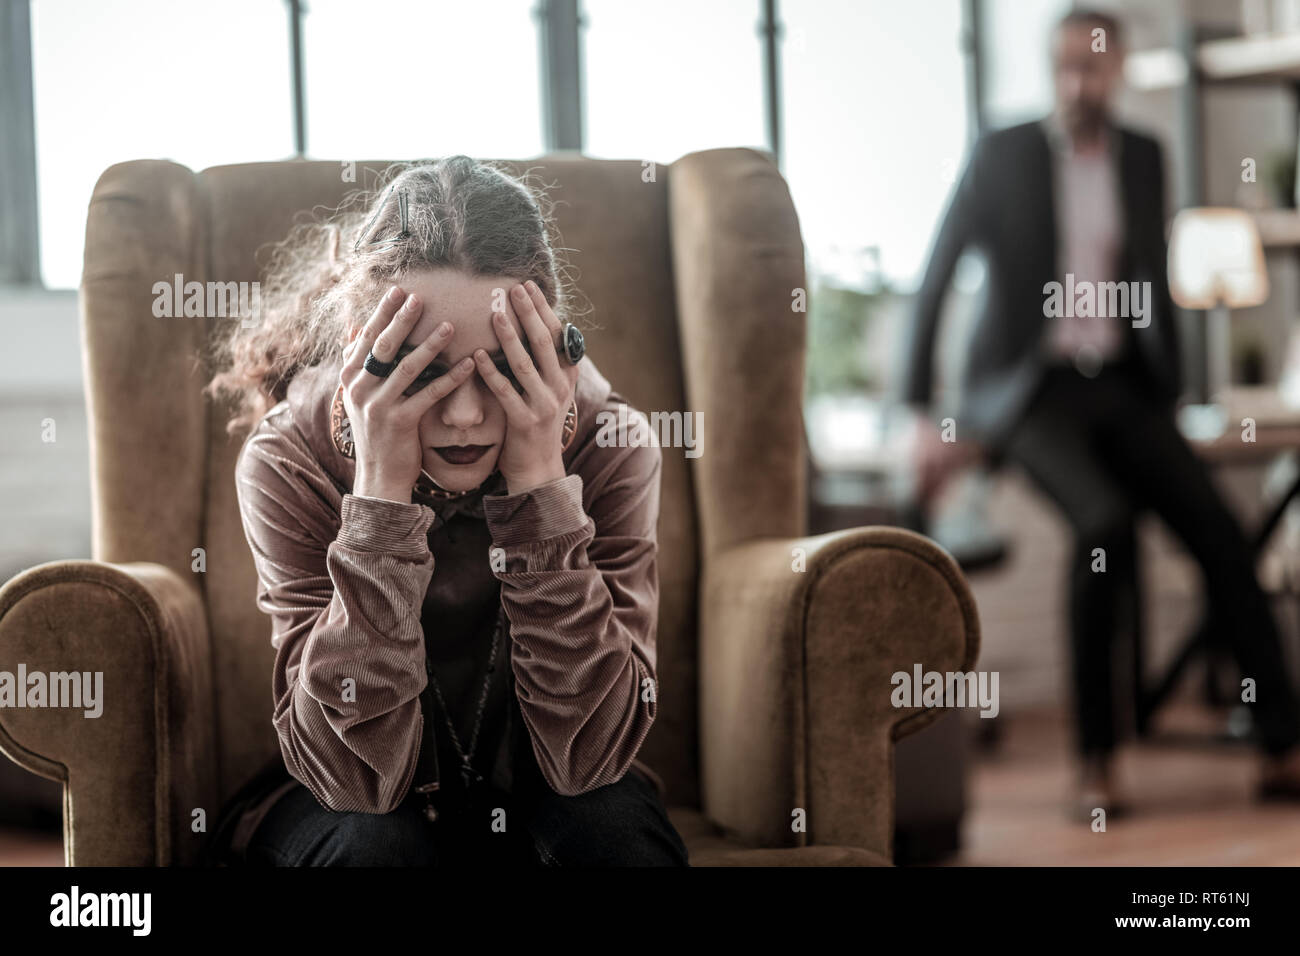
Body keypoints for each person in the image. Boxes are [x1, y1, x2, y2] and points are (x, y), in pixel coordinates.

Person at [201, 157, 689, 866]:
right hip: (348, 799)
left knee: (615, 836)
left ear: (552, 350)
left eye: (501, 369)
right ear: (360, 354)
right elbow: (353, 780)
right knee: (375, 848)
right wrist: (377, 500)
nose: (463, 417)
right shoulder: (287, 458)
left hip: (543, 784)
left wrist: (540, 488)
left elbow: (589, 759)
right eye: (425, 370)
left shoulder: (614, 445)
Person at [901, 8, 1300, 819]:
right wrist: (918, 409)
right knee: (1103, 525)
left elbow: (1155, 283)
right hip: (1031, 392)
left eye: (1096, 66)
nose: (1083, 82)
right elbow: (937, 272)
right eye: (1069, 68)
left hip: (1122, 385)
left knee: (1222, 531)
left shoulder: (1144, 157)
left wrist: (1178, 395)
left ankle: (1283, 743)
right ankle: (1096, 761)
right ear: (1053, 70)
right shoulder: (1004, 152)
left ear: (1117, 68)